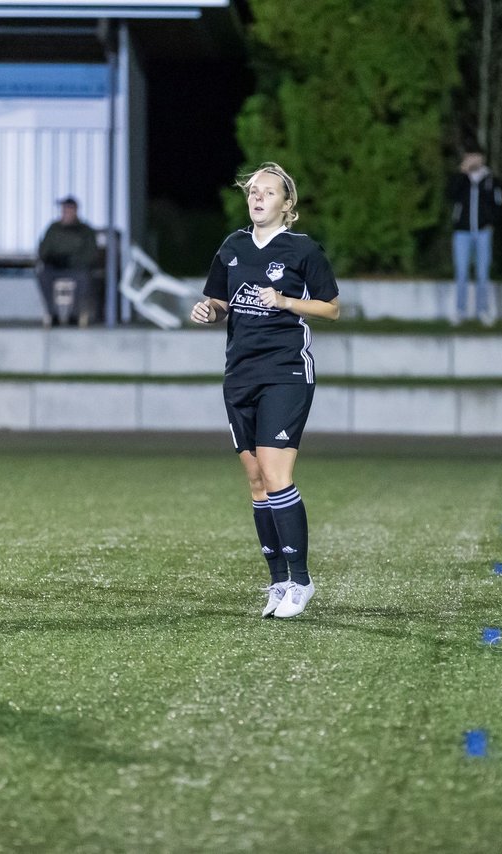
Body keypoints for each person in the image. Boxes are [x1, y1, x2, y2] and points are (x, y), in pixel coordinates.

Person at [189, 162, 340, 619]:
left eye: (267, 192)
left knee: (277, 476)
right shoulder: (232, 246)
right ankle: (277, 583)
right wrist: (208, 311)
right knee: (256, 481)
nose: (257, 198)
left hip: (286, 371)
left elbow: (331, 308)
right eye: (253, 191)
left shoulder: (302, 249)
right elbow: (219, 300)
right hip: (240, 373)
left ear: (286, 204)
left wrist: (285, 301)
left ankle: (302, 579)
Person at [447, 148, 502, 326]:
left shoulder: (490, 179)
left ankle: (482, 310)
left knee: (482, 273)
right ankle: (460, 310)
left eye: (475, 156)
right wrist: (462, 173)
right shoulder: (461, 178)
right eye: (469, 156)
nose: (473, 160)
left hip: (483, 231)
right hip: (462, 232)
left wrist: (491, 222)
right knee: (462, 272)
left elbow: (498, 203)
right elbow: (450, 195)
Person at [36, 197, 98, 327]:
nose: (66, 212)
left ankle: (74, 314)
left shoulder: (85, 230)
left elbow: (90, 253)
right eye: (64, 209)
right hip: (55, 267)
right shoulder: (54, 228)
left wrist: (72, 261)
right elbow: (43, 250)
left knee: (84, 278)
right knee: (43, 275)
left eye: (69, 209)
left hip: (75, 268)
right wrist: (52, 259)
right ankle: (53, 314)